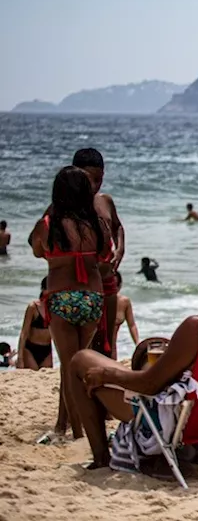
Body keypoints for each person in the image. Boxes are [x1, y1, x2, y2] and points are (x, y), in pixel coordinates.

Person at [65, 244, 198, 469]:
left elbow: (149, 384)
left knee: (80, 361)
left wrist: (106, 375)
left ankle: (102, 459)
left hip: (174, 420)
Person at [28, 166, 113, 436]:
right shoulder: (97, 225)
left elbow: (36, 249)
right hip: (92, 299)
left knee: (69, 366)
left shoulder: (49, 226)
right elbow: (105, 255)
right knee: (78, 363)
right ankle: (75, 428)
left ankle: (77, 432)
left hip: (62, 297)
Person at [72, 148, 125, 360]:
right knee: (83, 345)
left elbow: (118, 227)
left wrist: (120, 249)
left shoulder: (105, 201)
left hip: (107, 280)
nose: (95, 185)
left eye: (99, 179)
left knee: (107, 340)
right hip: (81, 284)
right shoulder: (67, 205)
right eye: (90, 179)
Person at [17, 279, 54, 369]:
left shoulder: (55, 308)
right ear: (43, 289)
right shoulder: (33, 307)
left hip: (47, 349)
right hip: (31, 349)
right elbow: (24, 332)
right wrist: (20, 358)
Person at [112, 273, 140, 354]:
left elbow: (132, 325)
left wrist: (137, 343)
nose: (113, 289)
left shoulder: (124, 302)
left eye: (116, 285)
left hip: (113, 349)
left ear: (120, 286)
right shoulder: (99, 301)